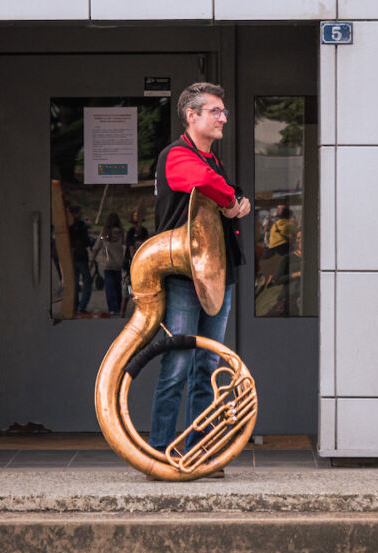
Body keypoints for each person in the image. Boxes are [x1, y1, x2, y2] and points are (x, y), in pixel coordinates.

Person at [148, 81, 251, 467]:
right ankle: (158, 452)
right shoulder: (176, 155)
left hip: (216, 275)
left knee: (206, 367)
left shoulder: (211, 159)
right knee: (176, 366)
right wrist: (232, 201)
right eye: (215, 111)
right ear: (192, 116)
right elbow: (203, 183)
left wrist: (236, 201)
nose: (223, 117)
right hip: (184, 278)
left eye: (224, 111)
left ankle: (199, 451)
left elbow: (217, 186)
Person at [91, 212, 125, 315]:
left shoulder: (104, 234)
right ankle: (119, 306)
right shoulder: (122, 234)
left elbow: (96, 247)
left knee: (110, 288)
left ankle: (112, 308)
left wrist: (91, 260)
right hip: (119, 264)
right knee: (118, 286)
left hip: (107, 264)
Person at [67, 204, 92, 314]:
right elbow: (86, 241)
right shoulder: (80, 225)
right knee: (86, 281)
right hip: (81, 255)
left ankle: (75, 305)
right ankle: (82, 306)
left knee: (75, 282)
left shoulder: (67, 226)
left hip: (72, 256)